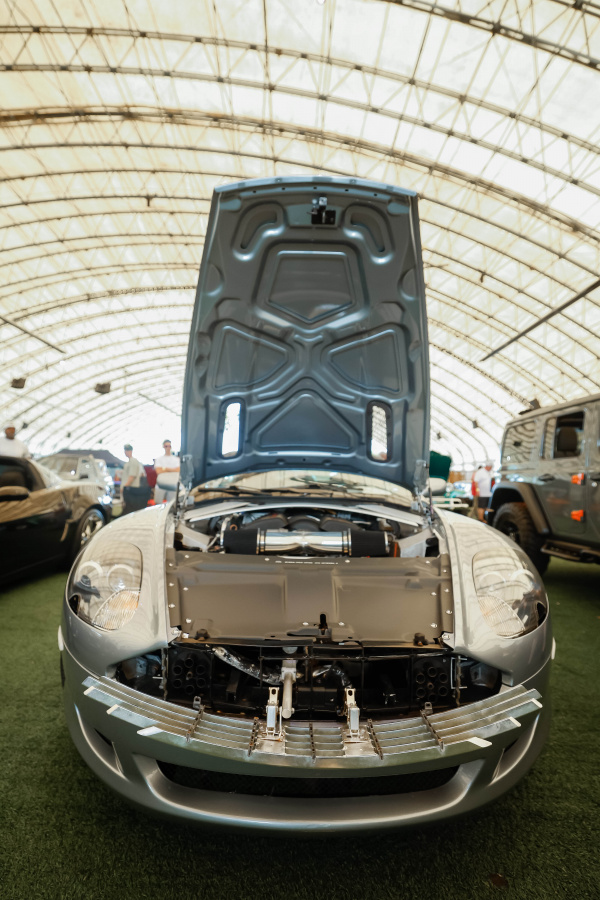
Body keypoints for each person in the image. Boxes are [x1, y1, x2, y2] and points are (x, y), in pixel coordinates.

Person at [121, 443, 146, 516]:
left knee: (129, 510)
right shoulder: (129, 462)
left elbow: (132, 476)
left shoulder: (133, 461)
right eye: (125, 450)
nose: (126, 452)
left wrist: (124, 487)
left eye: (127, 450)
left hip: (130, 490)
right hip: (129, 490)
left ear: (131, 451)